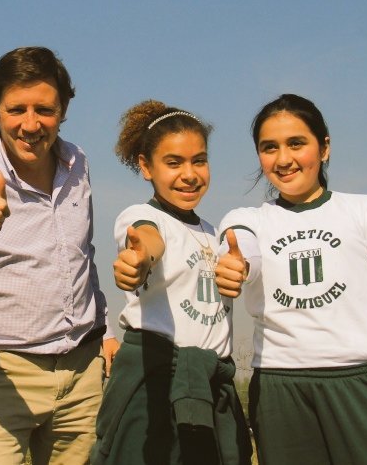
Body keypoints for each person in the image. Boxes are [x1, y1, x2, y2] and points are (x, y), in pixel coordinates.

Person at [0, 46, 118, 464]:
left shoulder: (78, 163)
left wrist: (102, 331)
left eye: (44, 110)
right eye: (16, 109)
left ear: (63, 110)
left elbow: (83, 255)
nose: (30, 124)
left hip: (81, 374)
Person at [214, 93, 367, 465]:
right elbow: (242, 248)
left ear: (324, 147)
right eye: (269, 148)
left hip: (360, 386)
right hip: (280, 392)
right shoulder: (246, 219)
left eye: (297, 143)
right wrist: (237, 264)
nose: (283, 159)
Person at [92, 101, 251, 465]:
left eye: (199, 160)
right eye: (173, 163)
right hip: (154, 380)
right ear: (146, 167)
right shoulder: (141, 216)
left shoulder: (217, 235)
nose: (190, 174)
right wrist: (139, 260)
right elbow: (147, 242)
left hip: (210, 383)